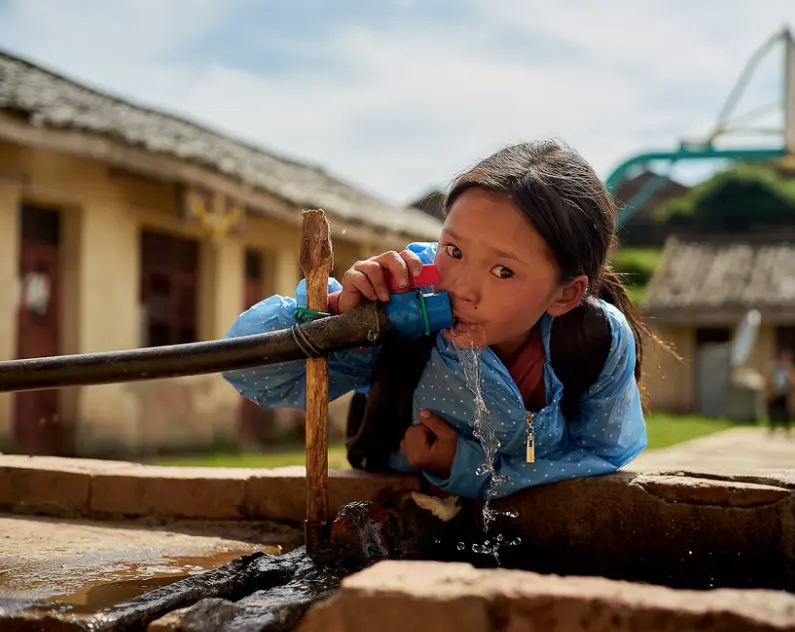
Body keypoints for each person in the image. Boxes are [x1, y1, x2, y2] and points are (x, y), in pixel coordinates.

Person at [223, 140, 656, 500]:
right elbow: (250, 371)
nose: (462, 287)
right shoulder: (408, 296)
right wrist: (337, 315)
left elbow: (603, 456)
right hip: (391, 521)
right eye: (454, 250)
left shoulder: (595, 338)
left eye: (502, 271)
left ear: (565, 294)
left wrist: (466, 468)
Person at [768, 349, 793, 436]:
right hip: (774, 394)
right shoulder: (773, 368)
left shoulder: (788, 369)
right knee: (773, 412)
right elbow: (768, 380)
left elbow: (791, 381)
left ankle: (787, 429)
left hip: (785, 393)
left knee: (786, 412)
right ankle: (772, 428)